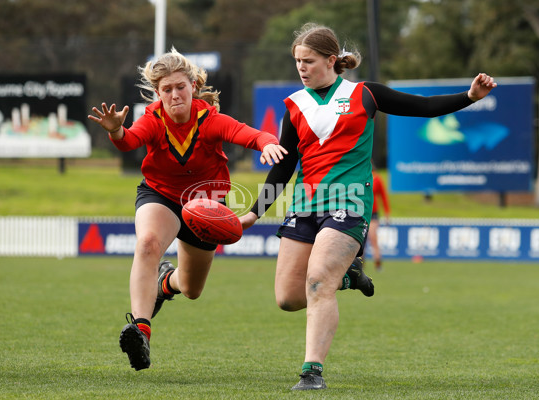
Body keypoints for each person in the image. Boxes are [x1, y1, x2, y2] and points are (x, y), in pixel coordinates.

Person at [240, 23, 497, 391]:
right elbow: (282, 166)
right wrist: (254, 211)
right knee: (287, 297)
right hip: (305, 203)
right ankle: (348, 276)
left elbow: (422, 107)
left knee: (317, 282)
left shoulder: (365, 94)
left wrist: (470, 96)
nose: (301, 67)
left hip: (349, 200)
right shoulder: (294, 106)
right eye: (297, 61)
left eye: (309, 61)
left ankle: (312, 373)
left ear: (331, 60)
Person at [88, 47, 286, 371]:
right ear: (157, 93)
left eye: (180, 86)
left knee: (192, 290)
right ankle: (141, 329)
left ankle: (166, 283)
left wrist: (267, 143)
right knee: (148, 244)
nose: (175, 94)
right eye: (166, 89)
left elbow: (248, 134)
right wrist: (115, 130)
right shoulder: (153, 119)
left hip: (205, 205)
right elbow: (129, 140)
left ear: (193, 85)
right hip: (160, 195)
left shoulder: (210, 120)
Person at [368, 166, 390, 271]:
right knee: (359, 241)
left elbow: (383, 196)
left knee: (373, 238)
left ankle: (378, 264)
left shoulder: (377, 179)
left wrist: (387, 213)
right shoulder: (361, 177)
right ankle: (360, 266)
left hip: (373, 214)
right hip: (360, 213)